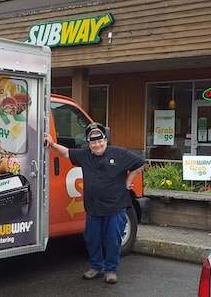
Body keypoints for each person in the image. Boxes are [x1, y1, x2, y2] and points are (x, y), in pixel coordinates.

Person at [45, 122, 144, 284]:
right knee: (92, 239)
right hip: (94, 209)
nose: (97, 145)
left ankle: (111, 270)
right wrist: (53, 144)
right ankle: (96, 267)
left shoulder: (119, 154)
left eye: (100, 141)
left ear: (105, 140)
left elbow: (140, 163)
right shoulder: (85, 155)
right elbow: (66, 153)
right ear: (89, 143)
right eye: (93, 142)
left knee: (113, 240)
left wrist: (129, 180)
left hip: (116, 208)